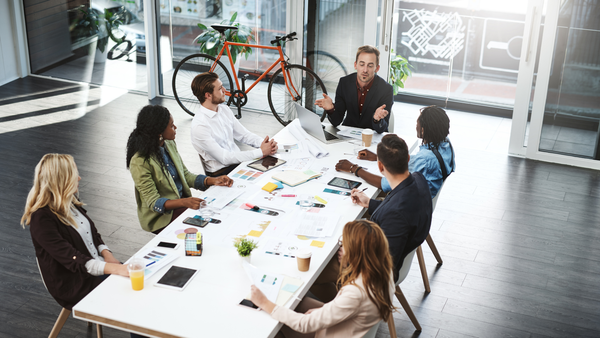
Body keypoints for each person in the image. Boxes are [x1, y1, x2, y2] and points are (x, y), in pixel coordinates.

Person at [250, 220, 395, 338]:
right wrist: (324, 311)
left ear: (356, 254)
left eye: (344, 246)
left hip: (331, 333)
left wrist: (264, 303)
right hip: (348, 326)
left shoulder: (356, 292)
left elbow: (303, 324)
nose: (340, 249)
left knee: (272, 327)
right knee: (297, 302)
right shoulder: (383, 271)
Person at [21, 154, 129, 311]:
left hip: (97, 266)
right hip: (75, 282)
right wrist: (116, 269)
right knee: (137, 301)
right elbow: (72, 259)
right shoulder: (41, 219)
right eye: (74, 175)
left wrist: (107, 254)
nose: (79, 178)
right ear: (61, 179)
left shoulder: (68, 202)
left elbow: (93, 234)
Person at [127, 105, 233, 234]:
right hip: (162, 216)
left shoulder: (169, 144)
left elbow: (185, 175)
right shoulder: (139, 162)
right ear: (159, 132)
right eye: (171, 126)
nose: (175, 128)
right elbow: (154, 203)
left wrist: (213, 180)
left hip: (182, 203)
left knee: (220, 215)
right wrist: (184, 202)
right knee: (208, 226)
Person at [336, 105, 455, 199]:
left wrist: (354, 168)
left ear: (423, 130)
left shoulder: (425, 158)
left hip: (408, 204)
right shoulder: (445, 143)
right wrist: (380, 156)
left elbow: (386, 184)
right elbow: (418, 163)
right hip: (423, 199)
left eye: (417, 124)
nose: (416, 126)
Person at [190, 72, 278, 176]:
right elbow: (225, 158)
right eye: (219, 88)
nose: (224, 90)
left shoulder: (224, 109)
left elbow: (244, 135)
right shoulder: (200, 126)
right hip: (222, 173)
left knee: (277, 171)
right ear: (208, 95)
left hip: (238, 163)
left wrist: (265, 144)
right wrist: (261, 152)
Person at [315, 45, 393, 134]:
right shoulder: (344, 83)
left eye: (370, 66)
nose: (365, 70)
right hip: (348, 135)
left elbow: (382, 128)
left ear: (377, 68)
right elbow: (336, 122)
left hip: (372, 137)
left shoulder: (386, 89)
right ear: (355, 65)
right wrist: (331, 109)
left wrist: (377, 120)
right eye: (362, 64)